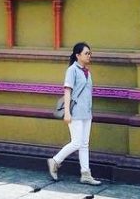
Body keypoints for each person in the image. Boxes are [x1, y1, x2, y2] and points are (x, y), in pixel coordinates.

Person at [47, 42, 101, 185]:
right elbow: (67, 91)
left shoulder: (87, 72)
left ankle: (86, 174)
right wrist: (67, 113)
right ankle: (55, 161)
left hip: (86, 113)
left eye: (90, 53)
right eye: (86, 53)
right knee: (76, 142)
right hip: (75, 112)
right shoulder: (72, 70)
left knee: (84, 144)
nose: (89, 55)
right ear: (78, 55)